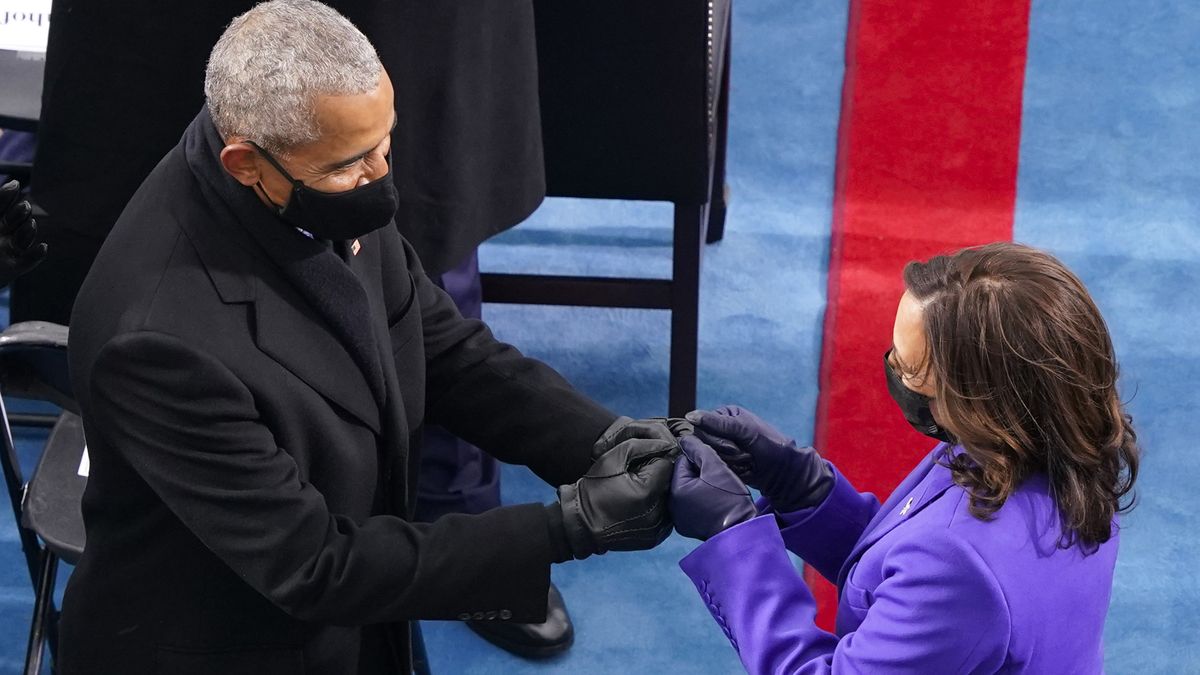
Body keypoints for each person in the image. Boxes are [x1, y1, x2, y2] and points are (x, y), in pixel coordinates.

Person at [59, 3, 680, 673]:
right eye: (353, 164)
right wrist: (569, 526)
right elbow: (316, 565)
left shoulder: (314, 160)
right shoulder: (158, 344)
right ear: (245, 162)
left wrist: (608, 443)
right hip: (235, 645)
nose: (382, 177)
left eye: (387, 143)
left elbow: (444, 349)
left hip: (356, 621)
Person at [669, 242, 1139, 673]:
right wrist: (804, 489)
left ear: (980, 395)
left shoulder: (959, 562)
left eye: (912, 370)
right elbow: (905, 579)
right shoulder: (1054, 446)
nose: (894, 373)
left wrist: (732, 536)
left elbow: (941, 579)